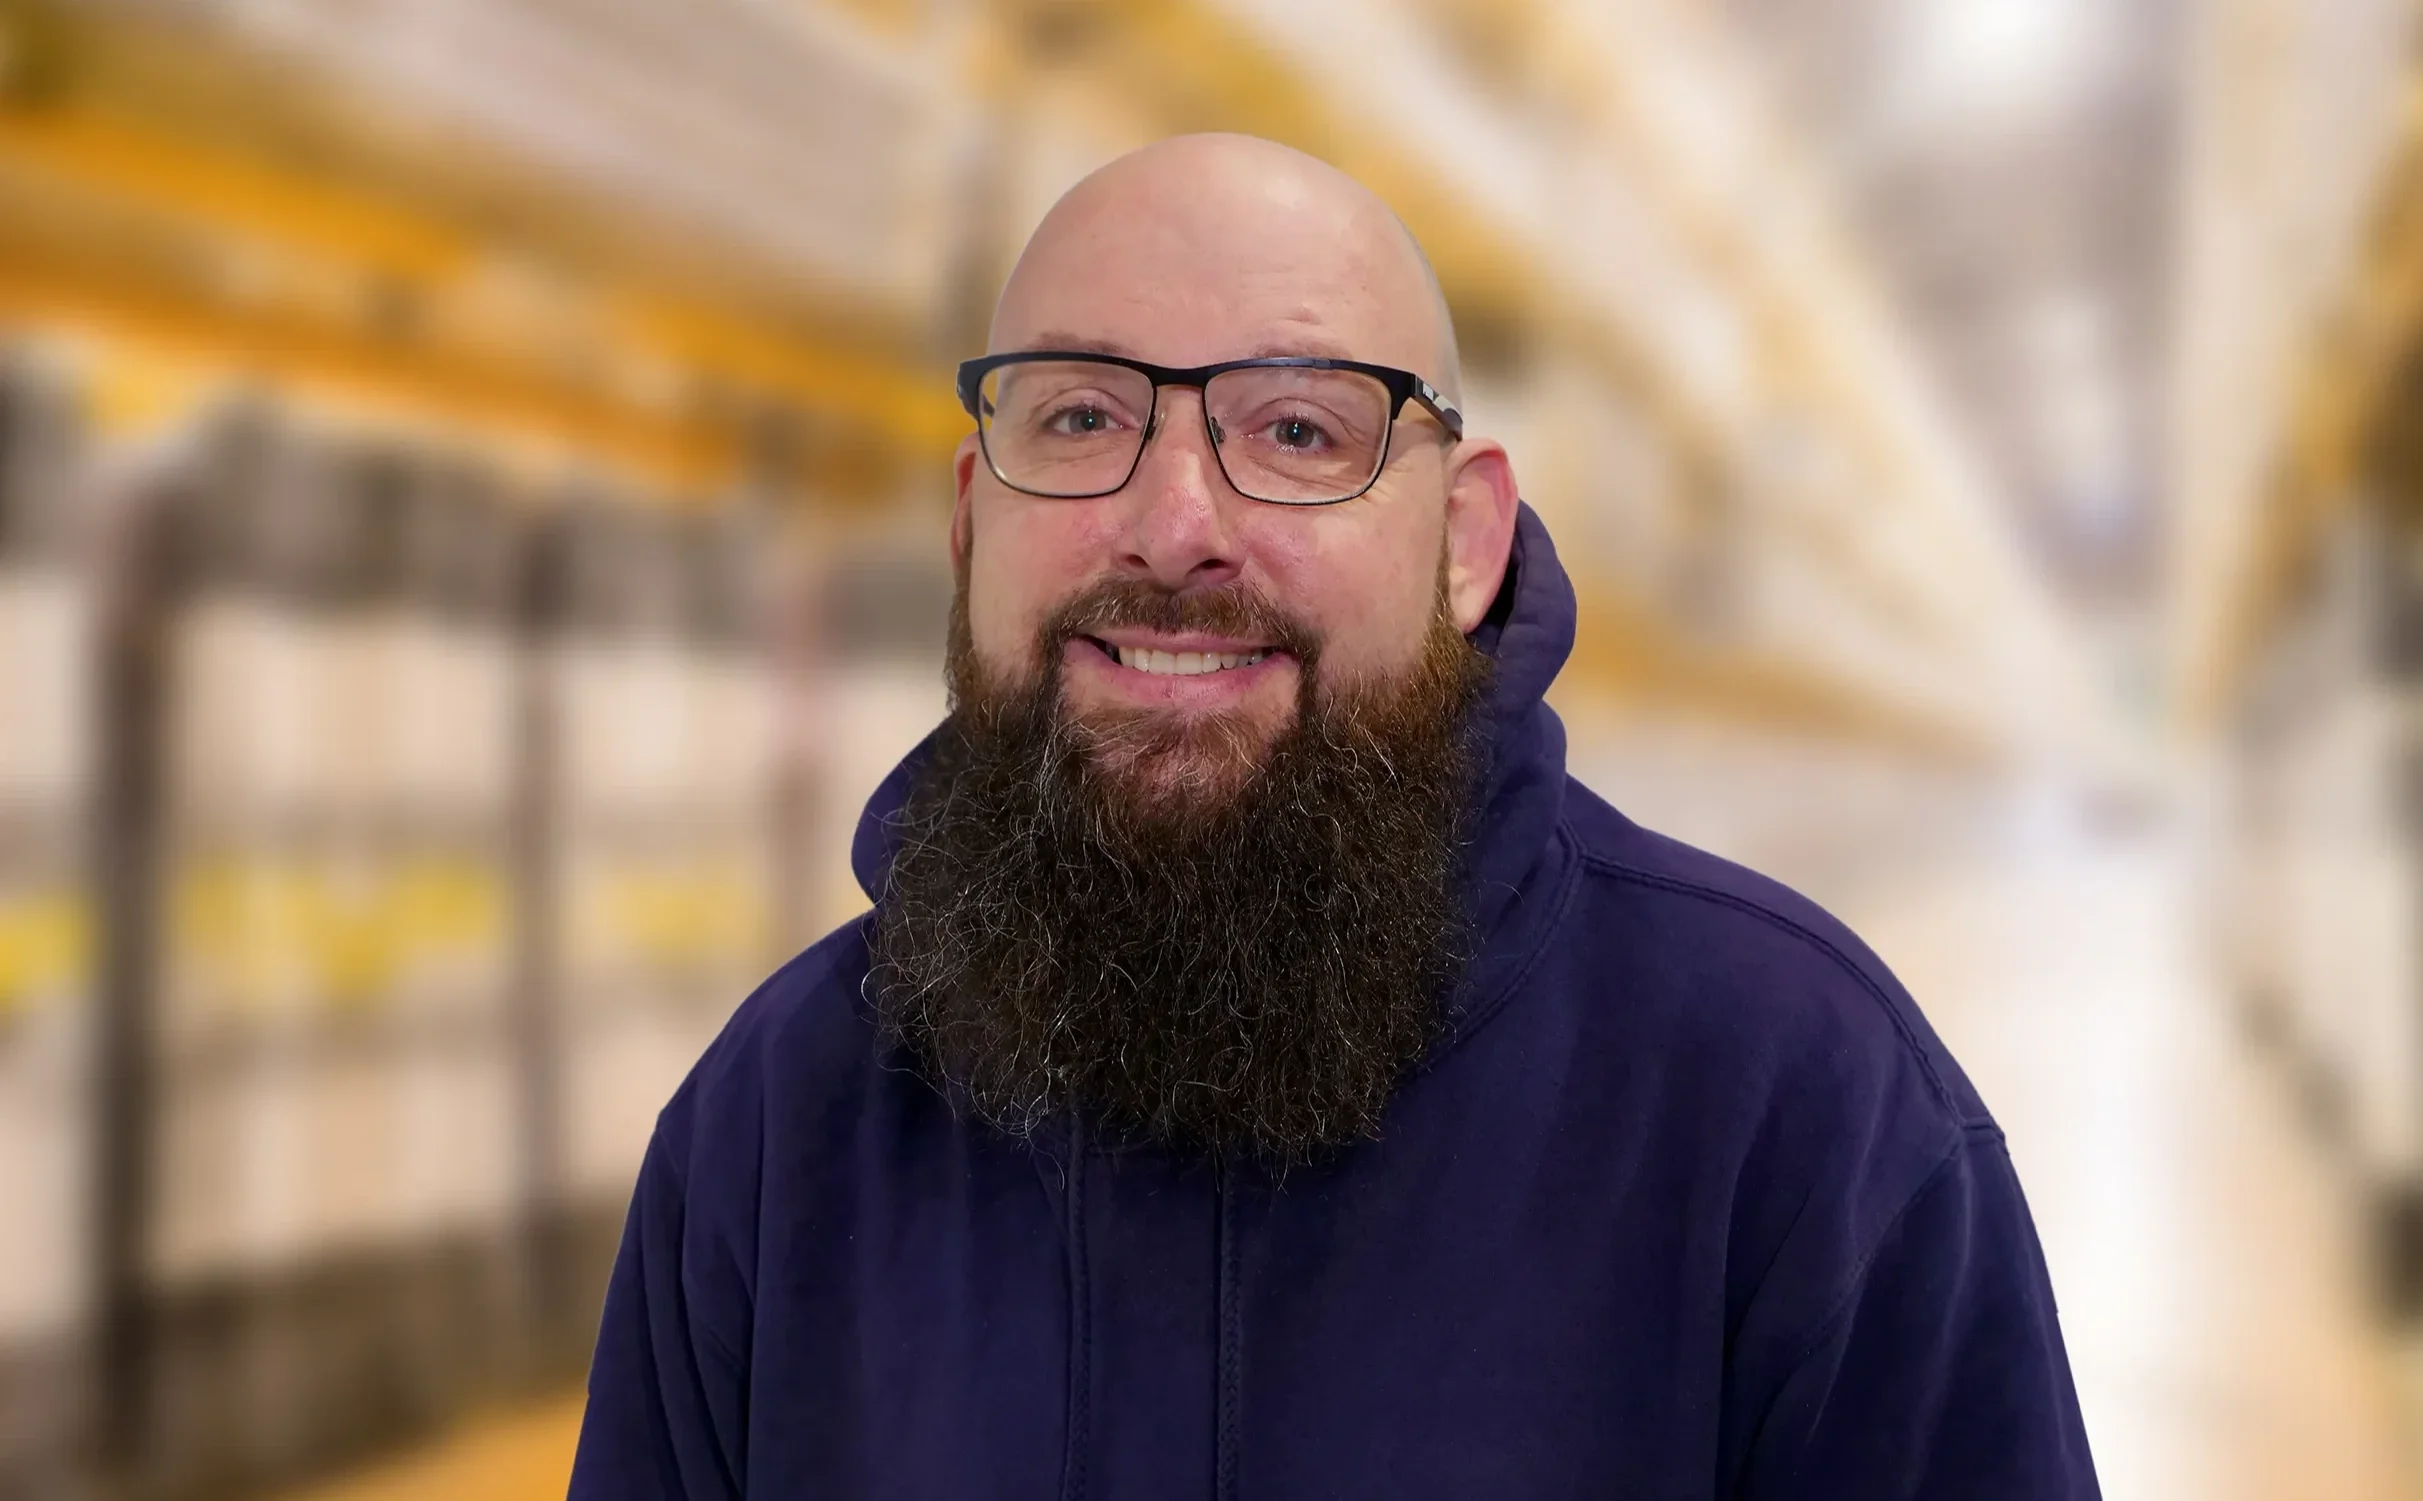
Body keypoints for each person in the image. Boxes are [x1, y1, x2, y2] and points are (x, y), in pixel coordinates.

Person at [569, 133, 2099, 1499]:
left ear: (1463, 540)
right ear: (973, 520)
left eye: (1299, 431)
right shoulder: (778, 1128)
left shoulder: (1800, 1111)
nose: (1174, 527)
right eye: (1083, 417)